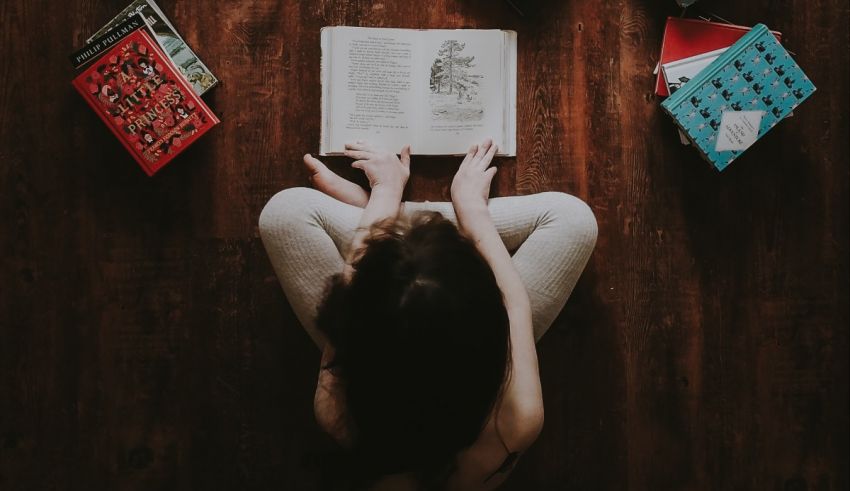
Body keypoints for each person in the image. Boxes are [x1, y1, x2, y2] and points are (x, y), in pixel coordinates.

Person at [259, 138, 597, 490]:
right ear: (488, 323)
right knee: (573, 220)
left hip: (394, 325)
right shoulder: (517, 419)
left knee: (284, 214)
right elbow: (515, 303)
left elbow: (354, 290)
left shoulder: (336, 413)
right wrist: (472, 210)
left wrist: (385, 193)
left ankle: (397, 223)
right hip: (469, 343)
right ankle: (416, 227)